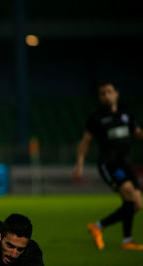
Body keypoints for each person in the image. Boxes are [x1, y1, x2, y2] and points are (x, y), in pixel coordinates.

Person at [73, 82, 143, 250]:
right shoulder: (96, 118)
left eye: (109, 92)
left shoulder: (126, 115)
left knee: (137, 204)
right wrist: (80, 163)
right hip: (109, 164)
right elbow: (85, 141)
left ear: (116, 94)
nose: (106, 96)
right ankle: (120, 237)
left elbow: (138, 132)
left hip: (124, 164)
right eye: (103, 93)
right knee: (131, 198)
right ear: (99, 97)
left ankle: (110, 232)